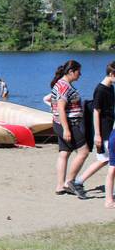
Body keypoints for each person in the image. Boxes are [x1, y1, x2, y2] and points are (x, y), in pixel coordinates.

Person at [72, 62, 115, 198]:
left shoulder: (110, 87)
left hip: (109, 126)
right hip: (103, 129)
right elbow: (96, 112)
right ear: (111, 74)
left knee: (104, 159)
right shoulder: (100, 90)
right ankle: (78, 182)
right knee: (106, 159)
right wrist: (97, 134)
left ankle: (78, 181)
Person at [49, 60, 89, 195]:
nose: (80, 74)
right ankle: (69, 182)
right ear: (71, 72)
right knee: (83, 152)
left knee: (64, 153)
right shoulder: (64, 86)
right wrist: (66, 129)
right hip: (68, 124)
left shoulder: (61, 84)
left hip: (60, 123)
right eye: (79, 72)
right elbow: (60, 107)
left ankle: (60, 186)